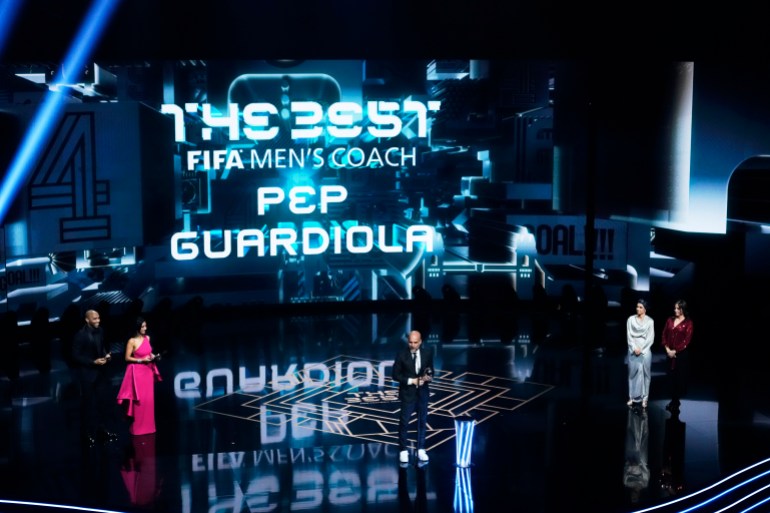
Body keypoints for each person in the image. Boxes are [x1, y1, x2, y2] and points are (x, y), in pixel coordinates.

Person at [72, 309, 117, 445]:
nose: (98, 321)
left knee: (102, 403)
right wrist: (92, 362)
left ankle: (102, 431)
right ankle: (86, 434)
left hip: (100, 374)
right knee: (88, 406)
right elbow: (75, 356)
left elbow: (102, 347)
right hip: (87, 375)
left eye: (99, 318)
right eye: (95, 319)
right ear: (87, 320)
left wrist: (106, 355)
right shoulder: (80, 335)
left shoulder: (101, 331)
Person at [392, 330, 434, 464]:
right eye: (410, 342)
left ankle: (420, 449)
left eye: (415, 342)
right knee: (404, 423)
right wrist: (412, 381)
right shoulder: (401, 355)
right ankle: (403, 450)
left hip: (422, 393)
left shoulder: (427, 353)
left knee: (422, 421)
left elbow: (431, 370)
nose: (412, 345)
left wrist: (428, 376)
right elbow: (395, 375)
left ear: (420, 342)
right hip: (407, 394)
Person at [117, 317, 162, 436]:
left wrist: (153, 356)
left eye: (145, 326)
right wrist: (141, 360)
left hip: (148, 372)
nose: (145, 328)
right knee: (140, 402)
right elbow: (127, 358)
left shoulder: (147, 338)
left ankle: (149, 427)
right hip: (138, 374)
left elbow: (148, 352)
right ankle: (138, 428)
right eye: (142, 326)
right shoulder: (132, 341)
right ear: (137, 327)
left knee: (149, 401)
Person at [661, 299, 694, 413]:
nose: (675, 310)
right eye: (674, 308)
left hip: (681, 355)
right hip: (669, 353)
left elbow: (687, 340)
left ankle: (676, 401)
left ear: (682, 309)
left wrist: (675, 351)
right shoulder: (670, 320)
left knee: (679, 378)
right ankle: (673, 400)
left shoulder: (688, 323)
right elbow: (664, 334)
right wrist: (667, 349)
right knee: (671, 378)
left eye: (677, 308)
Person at [626, 299, 654, 409]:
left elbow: (650, 338)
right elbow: (629, 336)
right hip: (633, 348)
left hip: (645, 349)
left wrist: (641, 349)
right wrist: (634, 348)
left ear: (645, 309)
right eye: (637, 306)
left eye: (640, 307)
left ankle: (645, 399)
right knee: (632, 374)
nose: (638, 309)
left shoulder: (650, 321)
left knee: (646, 374)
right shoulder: (630, 319)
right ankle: (631, 397)